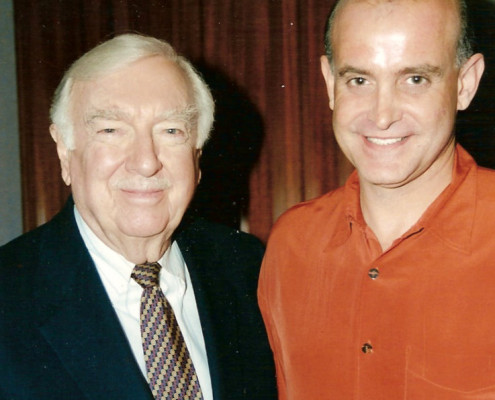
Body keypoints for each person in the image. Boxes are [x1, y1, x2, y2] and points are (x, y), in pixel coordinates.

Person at [0, 33, 276, 400]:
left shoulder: (247, 269)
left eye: (171, 131)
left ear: (197, 157)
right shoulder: (9, 295)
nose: (146, 161)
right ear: (65, 153)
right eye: (111, 130)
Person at [258, 0, 492, 398]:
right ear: (330, 83)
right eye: (359, 80)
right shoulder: (291, 245)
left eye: (415, 79)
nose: (382, 116)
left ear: (465, 84)